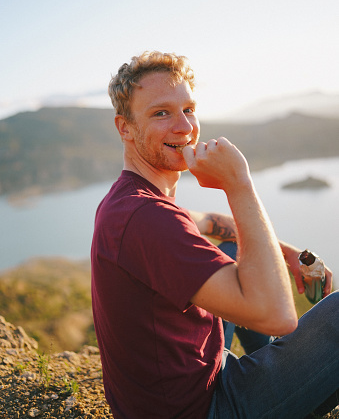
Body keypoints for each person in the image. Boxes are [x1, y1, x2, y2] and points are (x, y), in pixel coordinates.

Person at [91, 51, 338, 419]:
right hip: (203, 409)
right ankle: (278, 382)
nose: (185, 127)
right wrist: (238, 183)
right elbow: (279, 317)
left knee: (234, 248)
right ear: (124, 127)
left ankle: (274, 375)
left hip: (167, 395)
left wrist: (282, 251)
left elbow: (205, 220)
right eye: (161, 113)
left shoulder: (130, 202)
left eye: (188, 109)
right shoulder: (148, 218)